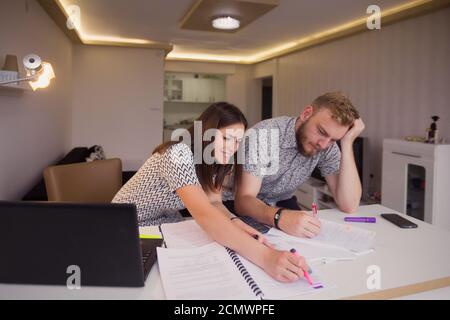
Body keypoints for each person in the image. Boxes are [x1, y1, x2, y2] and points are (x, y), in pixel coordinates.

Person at [112, 102, 309, 283]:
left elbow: (215, 203)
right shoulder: (178, 154)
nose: (232, 148)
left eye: (238, 142)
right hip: (127, 227)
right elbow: (206, 215)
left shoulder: (214, 161)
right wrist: (266, 258)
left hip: (164, 224)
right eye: (226, 138)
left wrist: (236, 222)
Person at [234, 92, 365, 238]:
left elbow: (349, 205)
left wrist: (347, 143)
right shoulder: (264, 135)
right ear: (306, 114)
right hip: (240, 204)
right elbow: (243, 200)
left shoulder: (328, 146)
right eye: (321, 132)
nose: (323, 145)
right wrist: (279, 217)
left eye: (334, 139)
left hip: (281, 201)